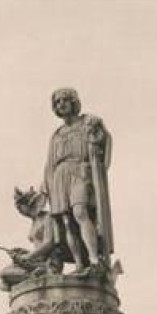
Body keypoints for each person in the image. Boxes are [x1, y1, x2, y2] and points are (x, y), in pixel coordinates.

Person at [42, 88, 113, 274]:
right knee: (67, 222)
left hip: (80, 171)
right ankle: (79, 264)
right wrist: (45, 183)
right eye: (57, 102)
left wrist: (99, 131)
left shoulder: (86, 122)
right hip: (59, 176)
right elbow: (49, 162)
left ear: (73, 102)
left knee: (80, 211)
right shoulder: (57, 134)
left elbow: (103, 141)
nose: (61, 104)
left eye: (65, 100)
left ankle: (94, 259)